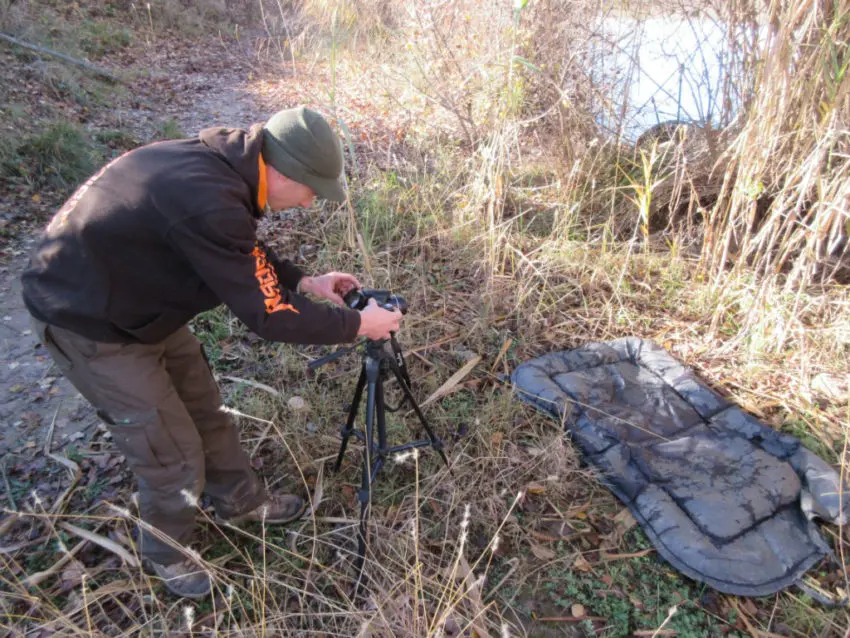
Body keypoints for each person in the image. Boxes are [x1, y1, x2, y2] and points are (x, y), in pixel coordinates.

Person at [20, 106, 403, 598]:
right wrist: (357, 324)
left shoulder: (223, 170)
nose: (310, 204)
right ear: (283, 172)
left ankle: (239, 500)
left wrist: (302, 279)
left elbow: (234, 249)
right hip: (86, 319)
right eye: (312, 190)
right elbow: (270, 318)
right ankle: (166, 551)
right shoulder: (209, 198)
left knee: (206, 410)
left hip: (140, 303)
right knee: (171, 453)